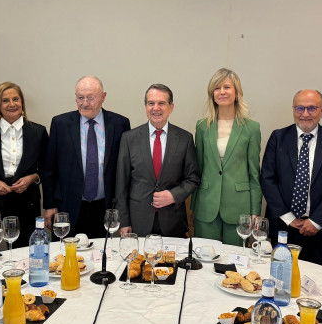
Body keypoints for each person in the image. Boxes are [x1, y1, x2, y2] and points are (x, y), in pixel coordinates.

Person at [260, 89, 322, 266]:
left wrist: (316, 221)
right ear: (293, 110)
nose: (305, 114)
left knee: (319, 285)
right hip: (283, 225)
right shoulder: (278, 137)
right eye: (299, 108)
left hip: (321, 229)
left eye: (312, 108)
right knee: (279, 277)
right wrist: (289, 217)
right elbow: (267, 178)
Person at [42, 76, 130, 238]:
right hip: (67, 208)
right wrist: (49, 204)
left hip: (105, 208)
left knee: (103, 258)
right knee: (65, 259)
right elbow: (49, 168)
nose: (85, 103)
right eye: (80, 98)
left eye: (90, 98)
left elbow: (125, 170)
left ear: (103, 97)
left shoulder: (120, 124)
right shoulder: (60, 124)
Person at [117, 84, 200, 237]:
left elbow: (193, 178)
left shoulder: (185, 139)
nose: (156, 108)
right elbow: (121, 184)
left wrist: (174, 195)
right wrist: (124, 221)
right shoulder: (129, 139)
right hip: (138, 222)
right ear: (145, 106)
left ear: (171, 107)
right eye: (151, 103)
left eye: (161, 103)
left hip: (173, 221)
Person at [0, 82, 48, 246]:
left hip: (27, 203)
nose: (12, 104)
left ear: (22, 103)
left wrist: (32, 178)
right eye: (5, 100)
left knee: (26, 255)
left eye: (16, 99)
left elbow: (47, 167)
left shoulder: (38, 132)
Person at [191, 68, 262, 245]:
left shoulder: (251, 128)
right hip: (207, 205)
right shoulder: (202, 126)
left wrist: (255, 210)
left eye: (227, 87)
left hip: (239, 207)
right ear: (212, 94)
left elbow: (254, 173)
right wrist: (194, 207)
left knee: (235, 263)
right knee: (204, 258)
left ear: (236, 93)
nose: (222, 92)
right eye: (217, 88)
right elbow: (197, 170)